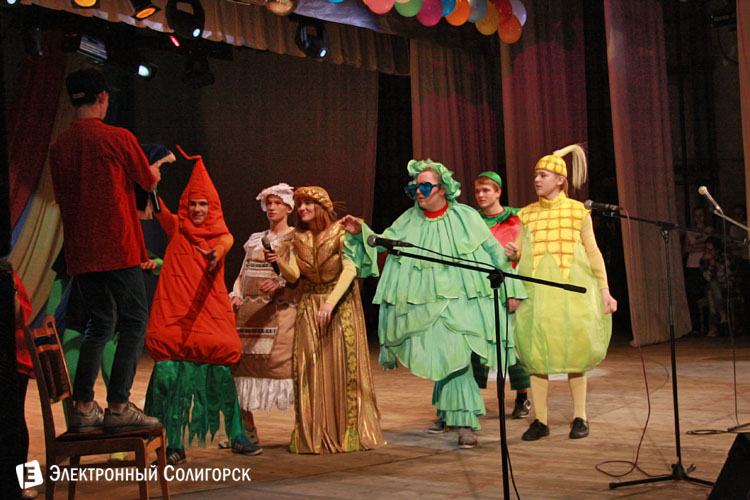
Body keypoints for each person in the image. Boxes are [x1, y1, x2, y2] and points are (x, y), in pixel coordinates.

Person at [342, 160, 525, 449]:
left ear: (443, 189)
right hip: (428, 301)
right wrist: (360, 231)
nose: (419, 192)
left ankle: (465, 422)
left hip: (463, 300)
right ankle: (446, 412)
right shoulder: (409, 219)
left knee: (458, 356)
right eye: (415, 188)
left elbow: (494, 252)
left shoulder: (465, 216)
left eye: (425, 186)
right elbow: (385, 241)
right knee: (442, 354)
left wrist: (512, 289)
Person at [48, 67, 161, 433]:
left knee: (99, 325)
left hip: (81, 252)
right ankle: (118, 406)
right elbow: (147, 180)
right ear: (102, 98)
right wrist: (154, 173)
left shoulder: (59, 146)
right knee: (134, 321)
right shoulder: (117, 137)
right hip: (117, 246)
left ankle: (83, 407)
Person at [144, 146, 261, 464]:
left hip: (208, 317)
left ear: (212, 207)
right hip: (176, 318)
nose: (197, 209)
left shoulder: (222, 235)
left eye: (203, 204)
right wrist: (152, 184)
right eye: (193, 203)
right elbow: (159, 208)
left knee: (220, 372)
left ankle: (237, 435)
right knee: (170, 374)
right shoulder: (176, 229)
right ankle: (172, 444)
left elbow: (224, 243)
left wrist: (214, 255)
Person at [504, 144, 618, 441]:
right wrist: (515, 255)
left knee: (575, 352)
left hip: (572, 294)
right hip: (537, 295)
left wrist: (604, 289)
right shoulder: (527, 214)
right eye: (535, 175)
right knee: (536, 355)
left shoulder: (578, 211)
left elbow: (592, 252)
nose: (536, 180)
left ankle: (580, 416)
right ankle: (540, 420)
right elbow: (521, 254)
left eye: (543, 175)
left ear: (560, 180)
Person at [265, 186, 386, 454]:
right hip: (310, 304)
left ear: (322, 207)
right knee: (310, 367)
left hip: (339, 304)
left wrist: (331, 302)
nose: (302, 208)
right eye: (299, 204)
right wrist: (278, 262)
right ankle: (315, 431)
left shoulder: (341, 233)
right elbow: (294, 276)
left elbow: (350, 269)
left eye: (308, 203)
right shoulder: (297, 238)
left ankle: (346, 431)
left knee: (342, 366)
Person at [229, 183, 297, 445]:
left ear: (288, 207)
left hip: (278, 313)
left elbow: (298, 274)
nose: (272, 207)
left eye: (277, 203)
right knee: (240, 371)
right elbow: (243, 272)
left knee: (284, 369)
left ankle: (303, 430)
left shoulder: (295, 238)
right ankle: (246, 429)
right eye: (269, 203)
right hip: (248, 314)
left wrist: (280, 282)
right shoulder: (255, 238)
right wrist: (236, 293)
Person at [473, 171, 531, 419]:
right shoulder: (472, 220)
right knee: (476, 344)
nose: (481, 195)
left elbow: (525, 254)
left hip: (510, 287)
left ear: (498, 192)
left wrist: (515, 290)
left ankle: (522, 397)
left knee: (512, 344)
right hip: (479, 288)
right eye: (477, 191)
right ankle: (472, 398)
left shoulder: (517, 218)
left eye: (486, 190)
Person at [683, 207, 714, 334]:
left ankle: (709, 325)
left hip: (705, 265)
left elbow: (709, 245)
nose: (699, 218)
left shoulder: (709, 230)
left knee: (707, 294)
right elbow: (687, 249)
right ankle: (696, 327)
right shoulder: (690, 231)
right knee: (693, 296)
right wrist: (699, 245)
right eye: (696, 215)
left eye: (701, 215)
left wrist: (695, 245)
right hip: (692, 266)